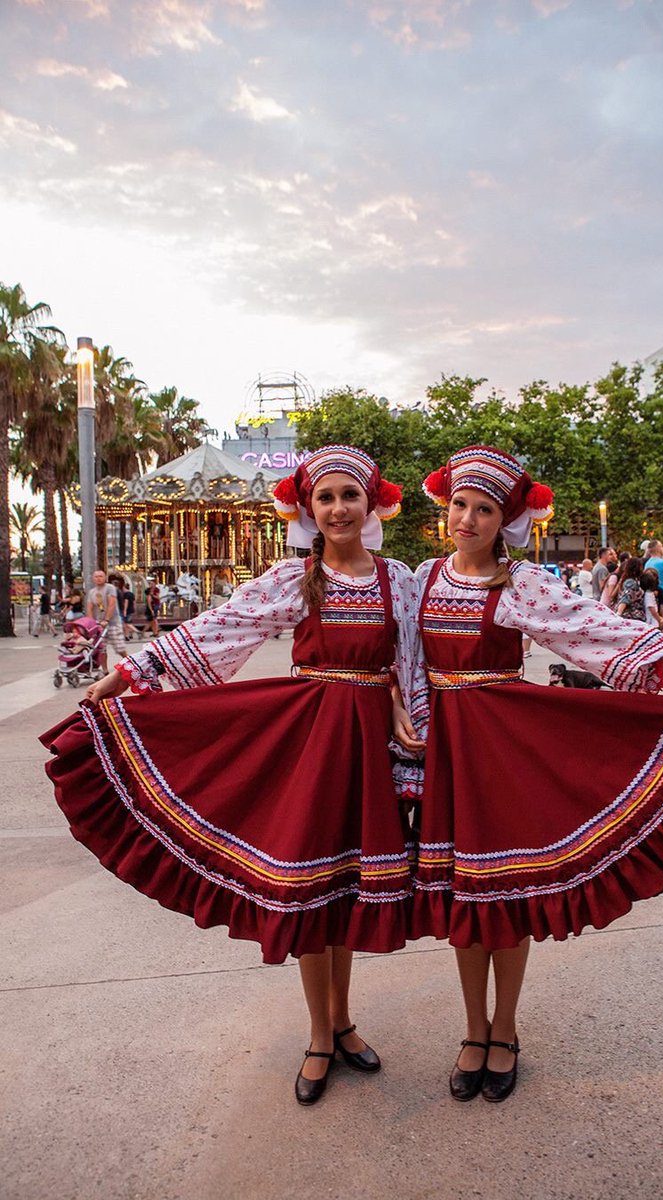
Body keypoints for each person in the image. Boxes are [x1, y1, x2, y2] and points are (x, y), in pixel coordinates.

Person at [40, 446, 426, 1107]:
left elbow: (410, 660)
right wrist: (123, 677)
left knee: (347, 891)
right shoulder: (292, 579)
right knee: (311, 891)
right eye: (325, 498)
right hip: (310, 744)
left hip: (367, 748)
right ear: (308, 510)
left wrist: (402, 715)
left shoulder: (400, 579)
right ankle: (319, 1034)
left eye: (349, 496)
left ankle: (343, 1020)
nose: (338, 508)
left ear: (371, 504)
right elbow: (219, 629)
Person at [403, 445, 663, 1105]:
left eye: (484, 509)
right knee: (463, 897)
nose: (467, 518)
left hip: (504, 747)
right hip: (447, 753)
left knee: (509, 895)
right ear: (447, 507)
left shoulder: (518, 583)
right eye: (460, 504)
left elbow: (596, 630)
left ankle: (507, 1029)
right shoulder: (424, 578)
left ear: (504, 521)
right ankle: (471, 1029)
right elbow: (397, 657)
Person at [85, 569, 126, 671]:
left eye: (101, 576)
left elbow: (112, 604)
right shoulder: (92, 592)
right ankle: (105, 671)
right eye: (96, 576)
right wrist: (91, 623)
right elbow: (89, 607)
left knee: (119, 647)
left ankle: (131, 664)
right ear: (93, 579)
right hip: (99, 623)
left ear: (105, 577)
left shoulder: (110, 588)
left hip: (113, 622)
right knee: (101, 649)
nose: (98, 578)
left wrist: (107, 619)